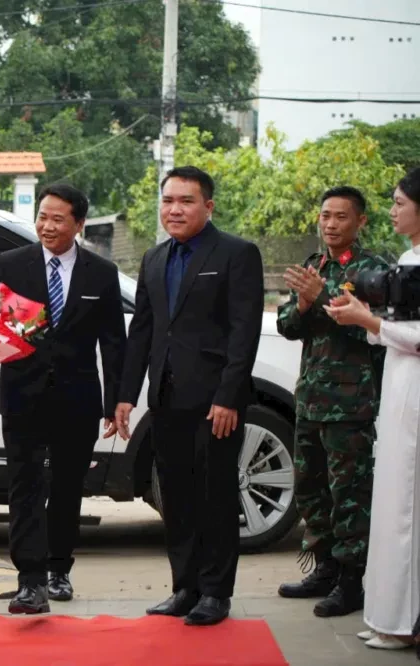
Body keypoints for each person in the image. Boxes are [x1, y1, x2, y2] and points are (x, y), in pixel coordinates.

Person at [114, 165, 264, 627]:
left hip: (215, 402)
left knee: (215, 496)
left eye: (186, 201)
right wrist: (125, 395)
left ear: (208, 206)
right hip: (166, 396)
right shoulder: (154, 258)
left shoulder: (237, 254)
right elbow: (142, 331)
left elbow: (244, 332)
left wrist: (229, 396)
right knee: (175, 496)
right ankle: (185, 586)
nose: (174, 210)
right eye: (168, 201)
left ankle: (216, 592)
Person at [0, 183, 125, 613]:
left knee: (67, 487)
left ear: (79, 224)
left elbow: (113, 343)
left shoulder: (101, 273)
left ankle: (59, 568)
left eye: (57, 219)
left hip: (77, 398)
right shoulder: (12, 264)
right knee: (25, 486)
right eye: (42, 217)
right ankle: (29, 581)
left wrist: (115, 402)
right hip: (22, 395)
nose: (46, 226)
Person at [275, 186, 386, 618]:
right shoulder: (313, 265)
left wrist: (321, 296)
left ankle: (351, 581)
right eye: (325, 216)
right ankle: (323, 569)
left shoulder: (373, 271)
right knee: (311, 490)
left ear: (360, 221)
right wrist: (303, 304)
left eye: (341, 216)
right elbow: (288, 327)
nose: (331, 224)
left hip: (351, 404)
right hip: (311, 399)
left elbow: (372, 331)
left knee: (350, 496)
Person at [323, 167, 420, 650]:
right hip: (400, 384)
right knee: (392, 503)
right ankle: (387, 614)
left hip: (414, 389)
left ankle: (404, 621)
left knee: (406, 507)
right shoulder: (407, 258)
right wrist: (365, 318)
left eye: (400, 203)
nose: (393, 211)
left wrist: (368, 321)